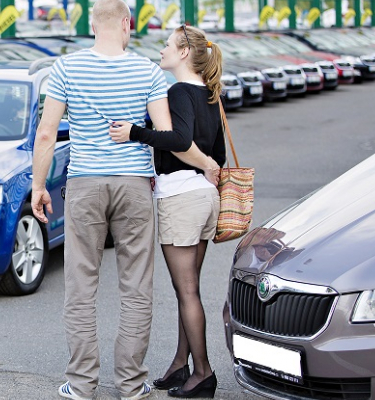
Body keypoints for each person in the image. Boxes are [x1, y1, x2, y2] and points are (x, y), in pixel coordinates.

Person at [30, 1, 219, 399]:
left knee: (81, 287)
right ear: (126, 24)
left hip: (84, 184)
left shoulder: (66, 68)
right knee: (136, 288)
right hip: (134, 186)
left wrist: (39, 186)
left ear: (91, 25)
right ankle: (132, 385)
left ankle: (81, 385)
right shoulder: (148, 71)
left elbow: (47, 134)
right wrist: (206, 164)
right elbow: (169, 136)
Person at [108, 25, 225, 398]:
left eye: (167, 45)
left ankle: (203, 372)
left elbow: (179, 141)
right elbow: (217, 157)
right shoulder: (210, 94)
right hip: (205, 197)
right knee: (187, 289)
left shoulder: (177, 91)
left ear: (184, 53)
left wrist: (135, 133)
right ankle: (180, 365)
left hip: (181, 199)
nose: (162, 50)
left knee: (186, 290)